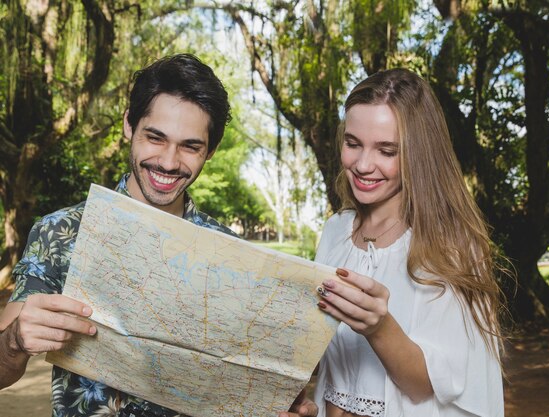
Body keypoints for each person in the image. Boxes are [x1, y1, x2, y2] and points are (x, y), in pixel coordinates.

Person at [0, 54, 316, 417]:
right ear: (129, 126)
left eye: (190, 146)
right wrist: (15, 341)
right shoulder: (60, 232)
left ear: (210, 151)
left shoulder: (235, 256)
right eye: (155, 137)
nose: (168, 161)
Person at [311, 69, 505, 416]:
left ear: (419, 154)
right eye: (353, 144)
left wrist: (379, 327)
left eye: (387, 150)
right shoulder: (335, 231)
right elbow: (331, 369)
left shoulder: (450, 246)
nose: (363, 165)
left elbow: (428, 386)